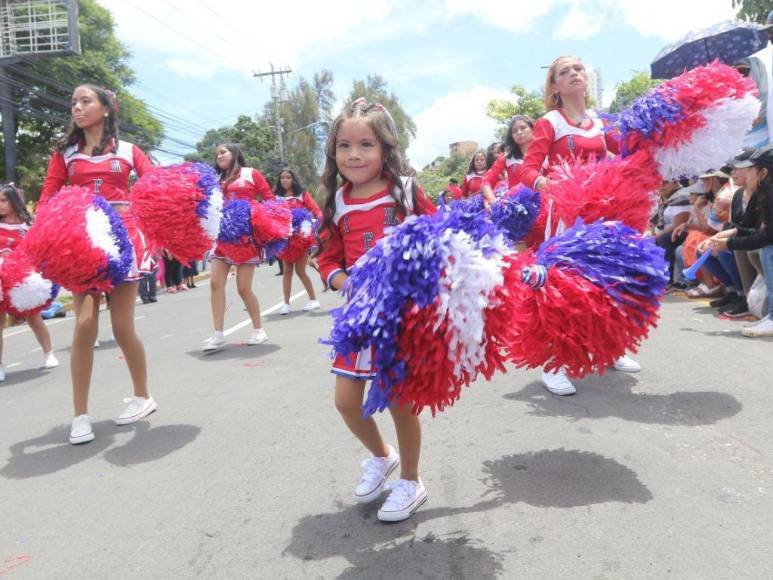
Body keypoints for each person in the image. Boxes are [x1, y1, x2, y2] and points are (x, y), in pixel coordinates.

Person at [316, 98, 436, 522]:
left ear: (385, 148)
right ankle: (380, 455)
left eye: (366, 144)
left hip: (401, 315)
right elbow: (327, 258)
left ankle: (411, 479)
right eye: (343, 146)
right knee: (347, 402)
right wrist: (344, 281)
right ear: (333, 154)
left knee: (402, 402)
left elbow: (437, 234)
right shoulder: (335, 201)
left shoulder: (404, 190)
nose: (354, 154)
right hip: (358, 317)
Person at [39, 84, 156, 444]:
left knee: (122, 326)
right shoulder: (66, 153)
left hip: (122, 239)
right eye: (73, 101)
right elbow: (48, 194)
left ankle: (142, 396)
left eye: (85, 101)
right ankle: (80, 415)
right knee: (85, 324)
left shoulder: (129, 150)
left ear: (106, 109)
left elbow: (154, 186)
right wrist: (43, 233)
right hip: (82, 241)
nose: (77, 107)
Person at [519, 55, 639, 396]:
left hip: (601, 216)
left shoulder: (600, 122)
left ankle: (610, 350)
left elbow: (629, 152)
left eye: (578, 69)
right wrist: (549, 185)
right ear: (554, 86)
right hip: (565, 218)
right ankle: (553, 364)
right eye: (564, 72)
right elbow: (528, 169)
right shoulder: (550, 122)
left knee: (608, 285)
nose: (574, 74)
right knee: (561, 289)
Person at [202, 144, 273, 352]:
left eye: (223, 152)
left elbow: (269, 199)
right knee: (215, 283)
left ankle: (259, 329)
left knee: (243, 287)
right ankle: (218, 334)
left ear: (235, 153)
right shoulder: (216, 180)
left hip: (245, 238)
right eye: (216, 154)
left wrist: (255, 217)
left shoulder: (251, 174)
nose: (219, 156)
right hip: (222, 237)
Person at [702, 144, 773, 337]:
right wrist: (731, 233)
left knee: (768, 250)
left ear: (763, 172)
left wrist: (729, 243)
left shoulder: (768, 194)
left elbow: (767, 237)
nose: (742, 175)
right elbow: (760, 231)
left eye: (749, 170)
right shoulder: (757, 194)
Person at [0, 183, 59, 381]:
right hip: (0, 280)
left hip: (21, 280)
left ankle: (48, 353)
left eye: (3, 200)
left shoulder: (27, 226)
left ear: (13, 201)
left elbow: (37, 251)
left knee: (34, 318)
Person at [273, 168, 322, 314]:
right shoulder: (276, 197)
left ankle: (313, 300)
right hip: (284, 239)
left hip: (299, 239)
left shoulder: (302, 195)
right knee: (287, 271)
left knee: (300, 271)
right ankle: (286, 304)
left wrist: (317, 221)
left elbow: (315, 209)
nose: (285, 180)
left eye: (288, 177)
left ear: (293, 179)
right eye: (282, 177)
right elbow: (270, 213)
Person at [481, 115, 534, 202]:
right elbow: (486, 181)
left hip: (543, 207)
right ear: (511, 136)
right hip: (515, 207)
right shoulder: (507, 158)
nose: (519, 132)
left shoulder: (546, 156)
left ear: (532, 129)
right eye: (514, 131)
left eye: (523, 128)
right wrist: (492, 199)